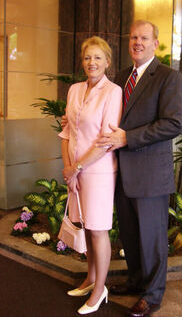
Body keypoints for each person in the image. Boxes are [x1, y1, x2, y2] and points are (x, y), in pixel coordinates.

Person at [96, 20, 182, 317]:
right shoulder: (121, 76)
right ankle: (136, 281)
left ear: (155, 42)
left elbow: (173, 123)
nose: (137, 42)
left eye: (144, 38)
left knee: (152, 237)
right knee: (131, 235)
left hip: (149, 174)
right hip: (121, 171)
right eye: (133, 37)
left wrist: (128, 137)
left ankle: (153, 294)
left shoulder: (169, 77)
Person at [58, 36, 122, 315]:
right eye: (87, 58)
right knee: (85, 224)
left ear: (107, 62)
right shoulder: (73, 90)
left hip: (98, 171)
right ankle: (90, 278)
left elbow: (106, 140)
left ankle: (100, 290)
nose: (91, 62)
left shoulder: (113, 92)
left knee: (98, 230)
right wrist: (68, 168)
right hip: (76, 171)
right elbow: (66, 131)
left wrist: (78, 167)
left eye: (97, 58)